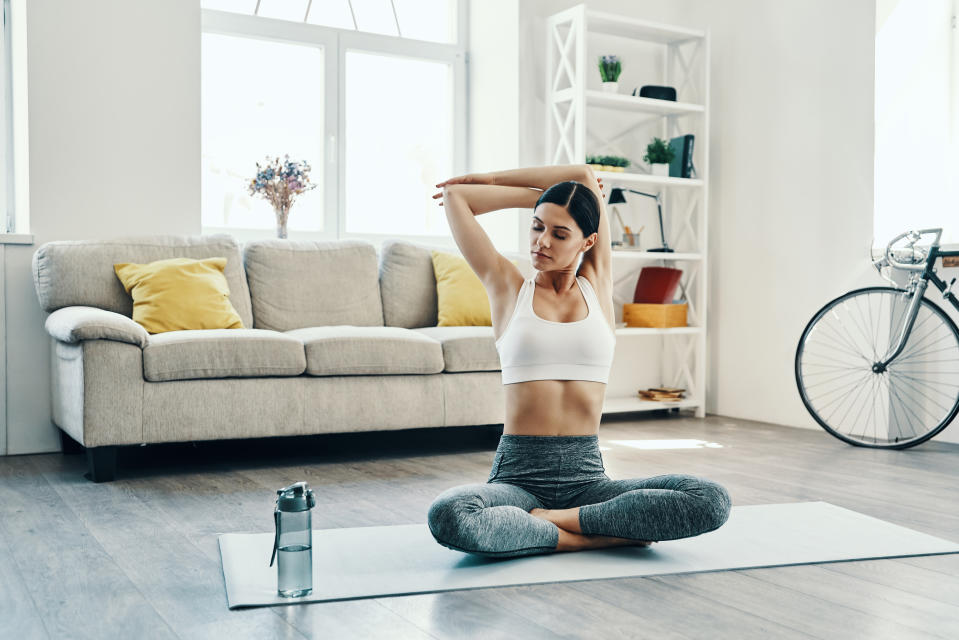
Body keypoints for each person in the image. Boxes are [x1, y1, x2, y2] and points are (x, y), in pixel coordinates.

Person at [425, 164, 731, 558]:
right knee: (451, 515)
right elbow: (457, 197)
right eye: (537, 227)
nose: (541, 242)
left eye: (559, 233)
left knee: (710, 499)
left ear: (588, 242)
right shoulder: (506, 286)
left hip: (587, 479)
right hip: (517, 480)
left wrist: (549, 195)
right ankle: (594, 534)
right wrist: (532, 196)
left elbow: (585, 176)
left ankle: (551, 522)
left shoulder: (598, 283)